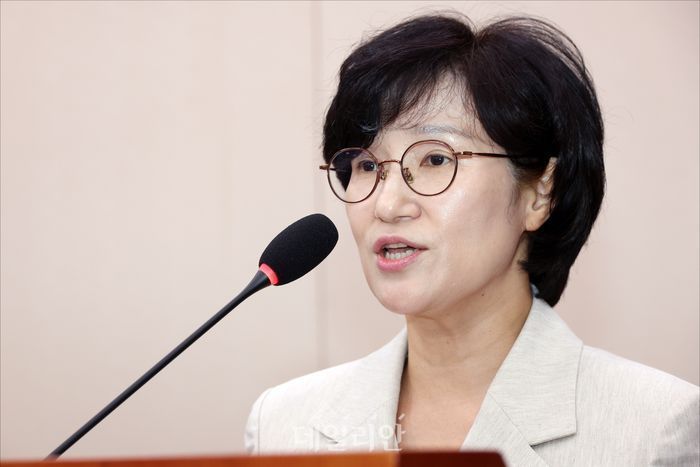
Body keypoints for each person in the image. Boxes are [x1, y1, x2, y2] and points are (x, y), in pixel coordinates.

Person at [244, 13, 699, 466]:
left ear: (540, 192)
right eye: (366, 165)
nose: (387, 204)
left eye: (435, 159)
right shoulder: (283, 426)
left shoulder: (651, 430)